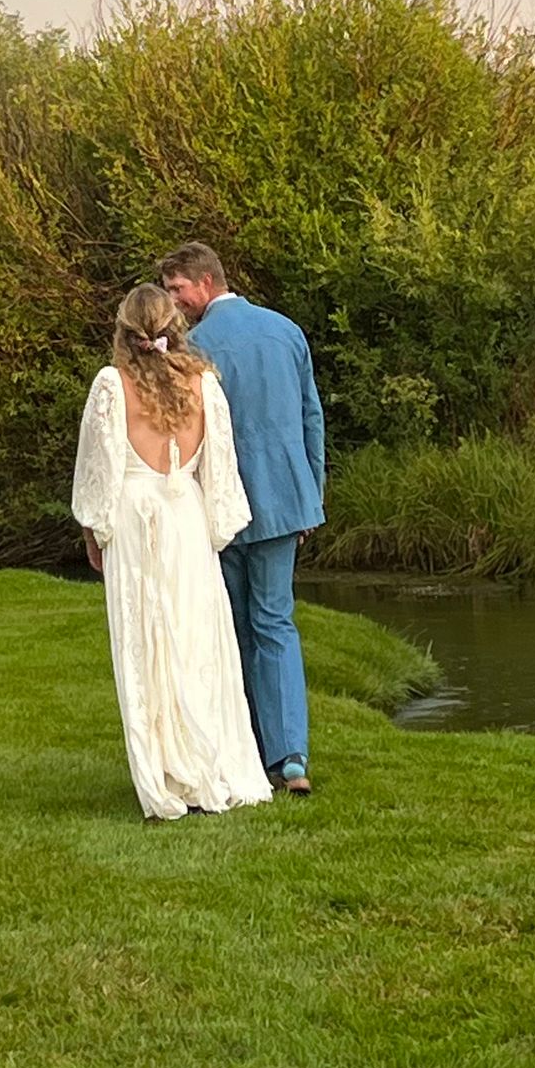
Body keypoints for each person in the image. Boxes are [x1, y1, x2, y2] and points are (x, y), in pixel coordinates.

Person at [71, 284, 274, 821]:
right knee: (195, 640)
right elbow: (223, 472)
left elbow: (98, 471)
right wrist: (212, 526)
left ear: (124, 332)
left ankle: (166, 771)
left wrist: (96, 531)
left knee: (145, 644)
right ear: (174, 328)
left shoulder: (111, 385)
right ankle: (206, 759)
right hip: (185, 515)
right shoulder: (204, 385)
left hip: (138, 518)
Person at [158, 243, 324, 796]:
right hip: (285, 497)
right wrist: (311, 494)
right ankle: (291, 755)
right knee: (275, 621)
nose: (174, 302)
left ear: (205, 282)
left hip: (219, 504)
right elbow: (310, 417)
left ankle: (246, 749)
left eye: (178, 289)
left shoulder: (195, 346)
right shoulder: (286, 331)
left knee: (231, 627)